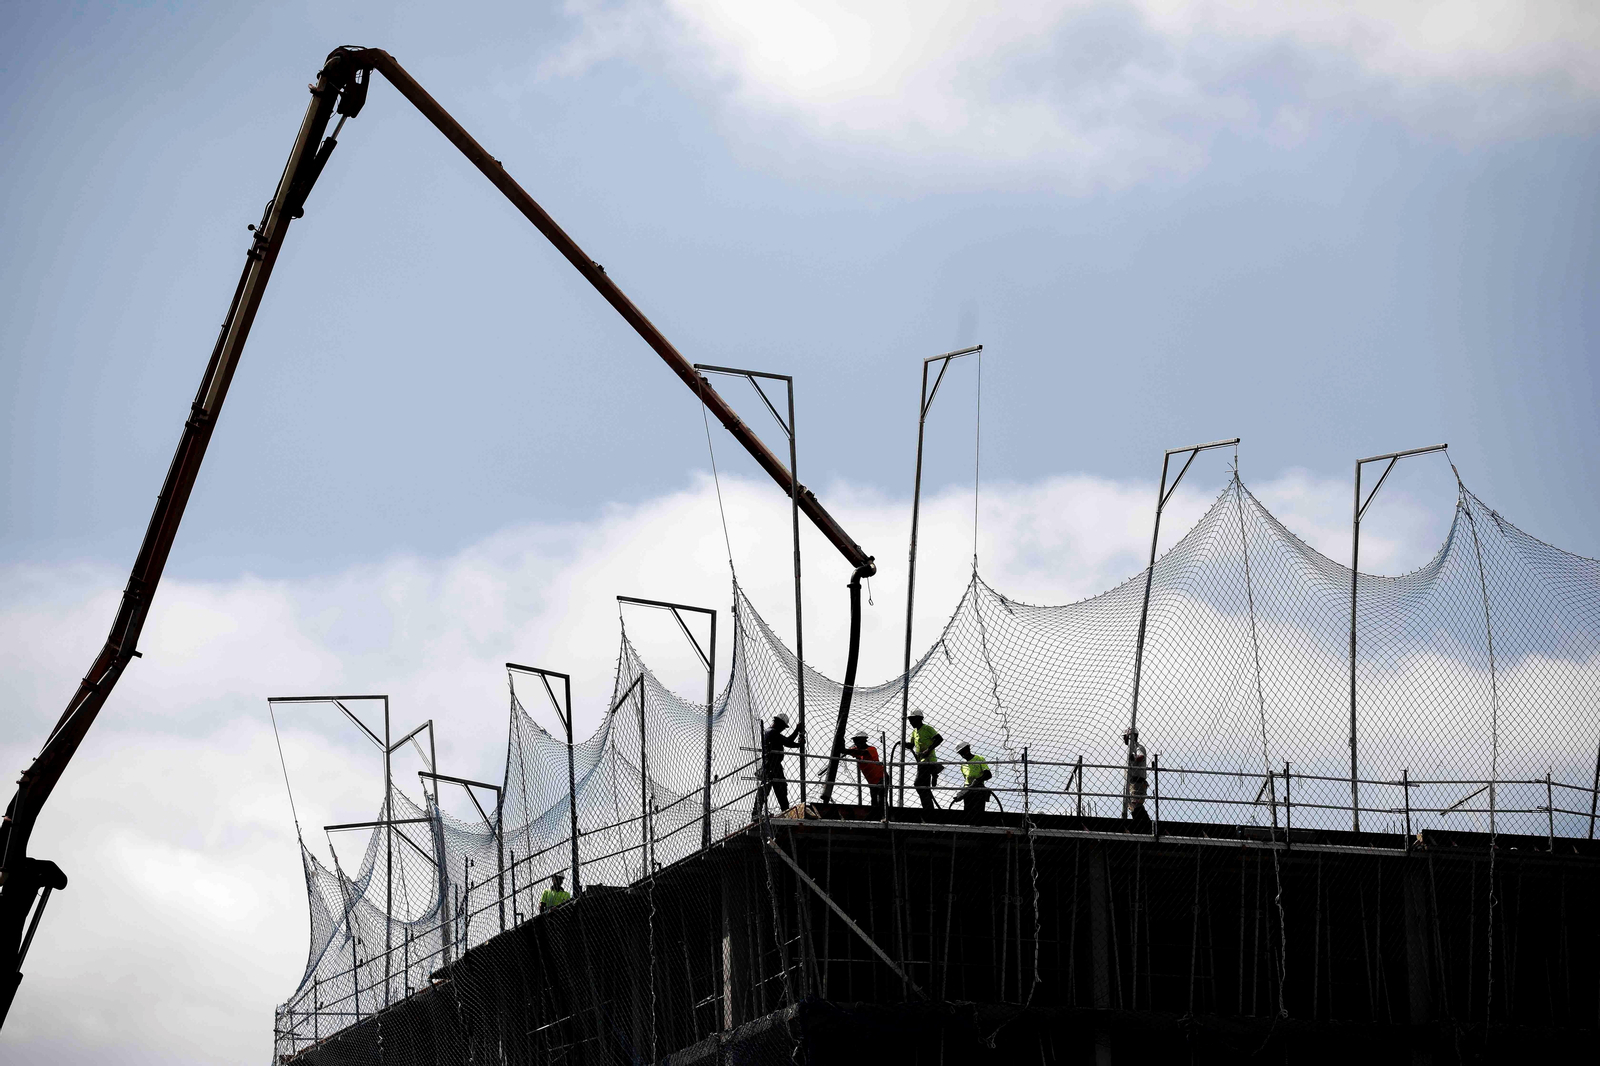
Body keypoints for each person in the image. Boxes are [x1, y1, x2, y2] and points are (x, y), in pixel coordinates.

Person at [752, 713, 803, 817]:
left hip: (770, 765)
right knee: (777, 790)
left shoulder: (769, 732)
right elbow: (788, 742)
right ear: (779, 724)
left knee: (770, 789)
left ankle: (758, 813)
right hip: (773, 766)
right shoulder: (772, 732)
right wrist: (797, 731)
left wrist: (798, 744)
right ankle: (785, 812)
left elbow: (787, 742)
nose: (783, 729)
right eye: (783, 727)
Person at [898, 711, 943, 810]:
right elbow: (912, 745)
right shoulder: (914, 732)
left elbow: (939, 739)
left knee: (918, 784)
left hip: (928, 761)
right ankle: (928, 807)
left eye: (912, 720)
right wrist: (904, 743)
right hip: (921, 762)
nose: (910, 722)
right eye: (909, 720)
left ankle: (928, 808)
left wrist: (928, 749)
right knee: (923, 786)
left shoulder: (927, 729)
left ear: (919, 719)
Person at [843, 732, 887, 816]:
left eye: (857, 740)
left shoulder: (871, 749)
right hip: (872, 781)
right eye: (854, 740)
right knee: (874, 800)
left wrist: (849, 751)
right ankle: (877, 816)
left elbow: (862, 753)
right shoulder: (856, 750)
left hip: (881, 777)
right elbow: (845, 751)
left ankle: (884, 816)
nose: (855, 742)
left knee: (881, 800)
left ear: (863, 740)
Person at [950, 742, 994, 817]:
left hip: (979, 791)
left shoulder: (979, 759)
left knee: (978, 814)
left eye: (964, 751)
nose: (963, 754)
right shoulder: (963, 765)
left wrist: (977, 781)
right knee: (968, 813)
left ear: (968, 748)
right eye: (961, 753)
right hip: (968, 791)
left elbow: (988, 774)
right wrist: (962, 793)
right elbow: (966, 780)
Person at [1123, 727, 1150, 830]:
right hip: (1132, 782)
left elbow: (1141, 756)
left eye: (1125, 737)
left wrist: (1134, 758)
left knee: (1135, 804)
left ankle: (1145, 825)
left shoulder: (1138, 747)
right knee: (1133, 805)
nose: (1124, 739)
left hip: (1137, 781)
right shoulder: (1131, 750)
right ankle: (1143, 825)